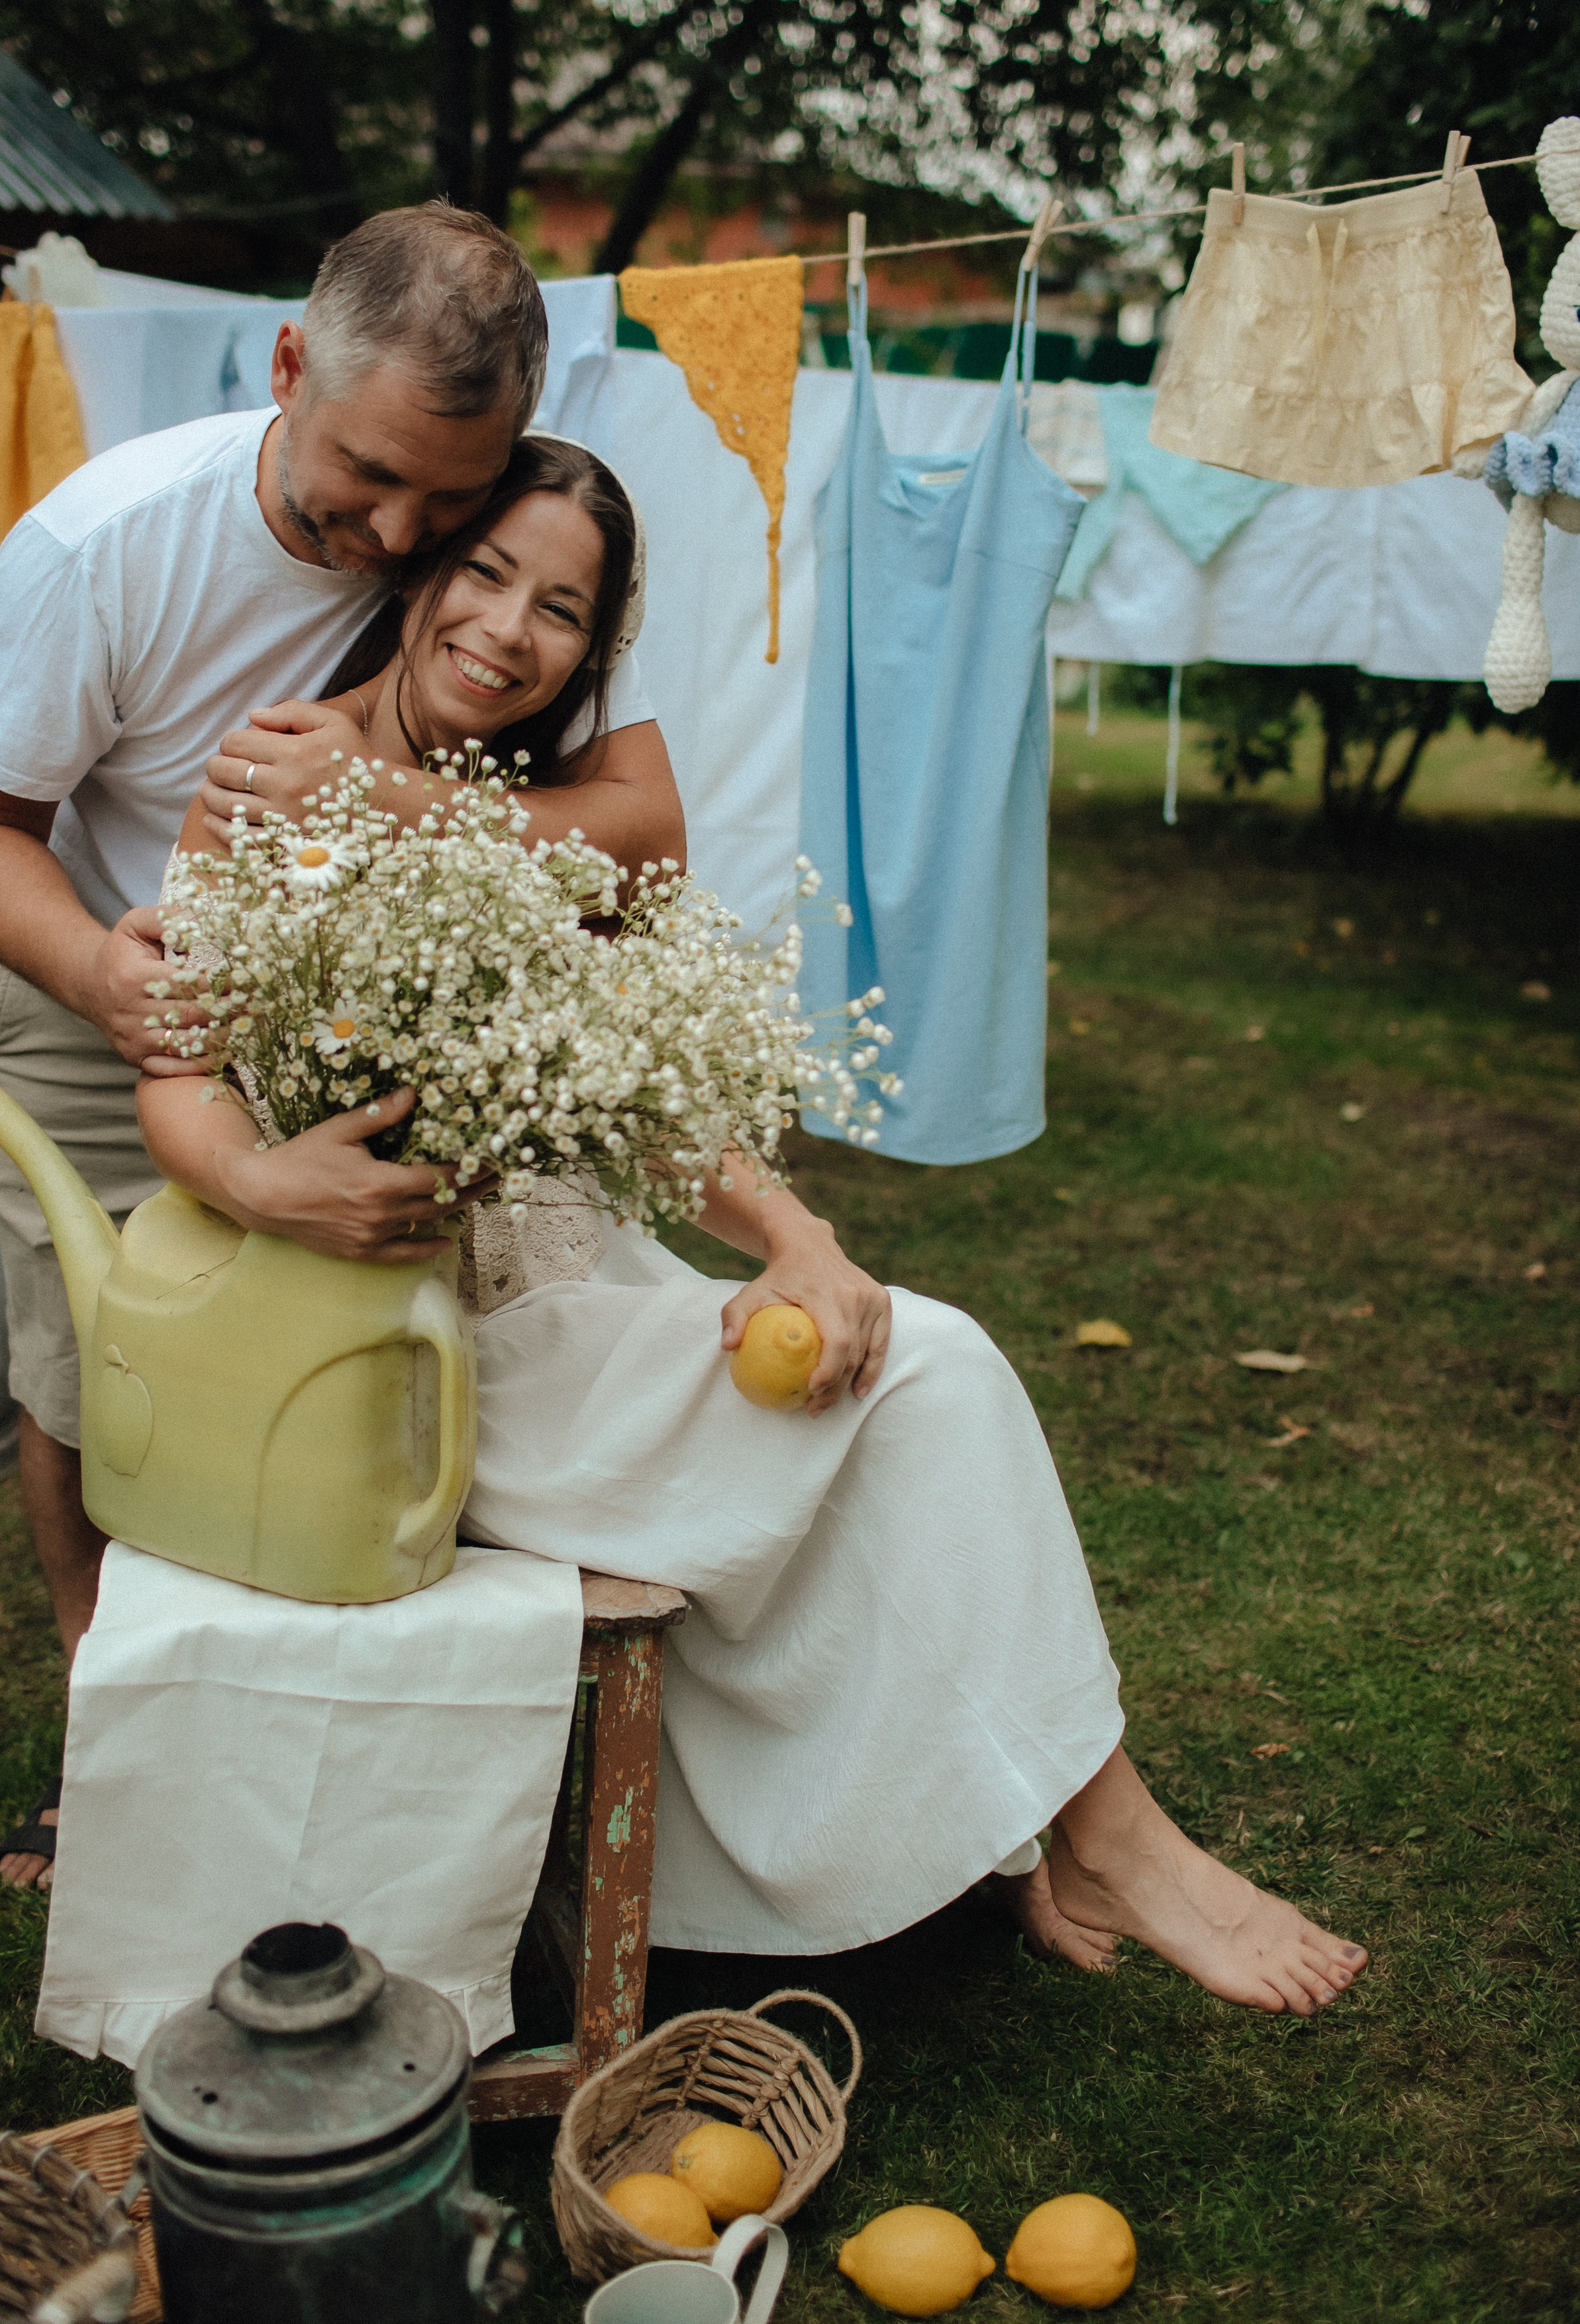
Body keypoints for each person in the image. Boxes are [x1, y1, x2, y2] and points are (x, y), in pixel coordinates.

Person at [138, 442, 1368, 2019]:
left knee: (902, 1380)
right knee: (930, 1380)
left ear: (598, 645)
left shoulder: (566, 820)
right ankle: (1097, 1835)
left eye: (563, 611)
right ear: (422, 565)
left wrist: (797, 1236)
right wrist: (261, 1181)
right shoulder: (269, 771)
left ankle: (1070, 1828)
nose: (511, 633)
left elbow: (644, 1087)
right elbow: (176, 1068)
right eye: (489, 574)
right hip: (401, 1354)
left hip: (585, 1285)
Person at [0, 207, 685, 1891]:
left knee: (363, 1349)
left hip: (361, 986)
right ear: (286, 367)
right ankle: (102, 1710)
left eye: (446, 496)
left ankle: (377, 1726)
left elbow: (641, 829)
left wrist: (391, 803)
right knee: (92, 1360)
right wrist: (103, 978)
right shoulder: (104, 547)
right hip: (102, 958)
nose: (399, 531)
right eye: (366, 475)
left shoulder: (509, 539)